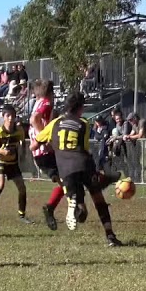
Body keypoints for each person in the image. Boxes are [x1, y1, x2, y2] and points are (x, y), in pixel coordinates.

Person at [34, 91, 124, 245]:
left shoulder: (54, 123)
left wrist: (52, 144)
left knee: (82, 213)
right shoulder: (83, 123)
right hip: (83, 164)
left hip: (66, 170)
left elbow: (35, 144)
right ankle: (110, 236)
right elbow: (84, 148)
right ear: (81, 107)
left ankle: (76, 204)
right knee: (99, 200)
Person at [0, 105, 35, 225]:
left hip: (13, 163)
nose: (10, 118)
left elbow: (23, 142)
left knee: (22, 188)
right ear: (3, 117)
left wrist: (23, 154)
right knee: (0, 185)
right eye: (8, 116)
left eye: (13, 116)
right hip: (0, 162)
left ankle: (22, 215)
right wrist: (2, 151)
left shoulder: (19, 131)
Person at [28, 80, 64, 230]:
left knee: (67, 181)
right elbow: (34, 119)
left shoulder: (37, 103)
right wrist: (44, 137)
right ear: (51, 93)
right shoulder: (46, 102)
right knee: (68, 181)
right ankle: (55, 208)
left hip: (42, 153)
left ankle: (52, 208)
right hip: (45, 152)